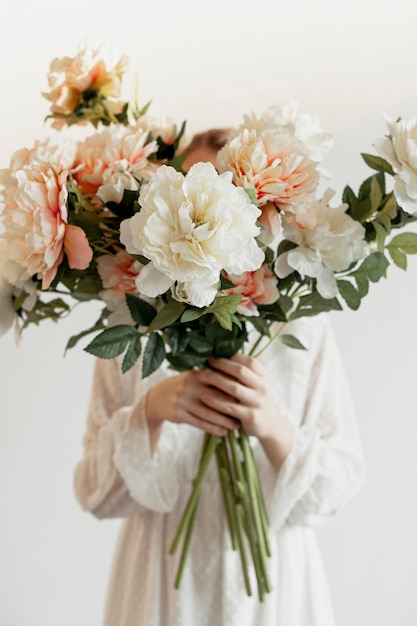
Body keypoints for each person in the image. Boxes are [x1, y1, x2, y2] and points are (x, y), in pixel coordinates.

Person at [74, 131, 365, 626]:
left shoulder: (299, 321)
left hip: (275, 595)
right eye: (183, 193)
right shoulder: (132, 318)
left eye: (222, 194)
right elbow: (92, 491)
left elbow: (341, 483)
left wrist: (270, 423)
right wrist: (150, 410)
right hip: (158, 590)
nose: (198, 217)